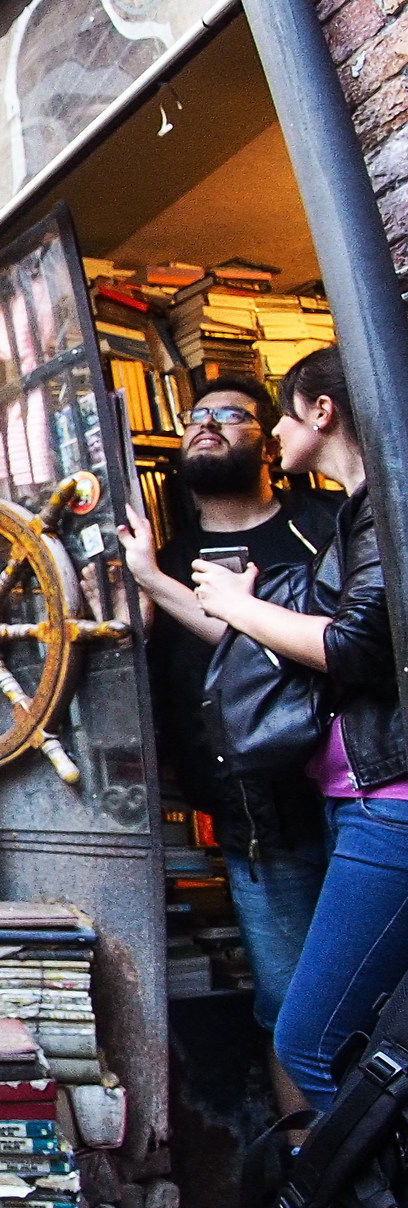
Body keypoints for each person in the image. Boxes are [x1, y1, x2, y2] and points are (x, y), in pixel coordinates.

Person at [192, 347, 408, 1111]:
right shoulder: (363, 509)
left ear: (323, 413)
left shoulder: (384, 502)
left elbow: (352, 647)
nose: (281, 430)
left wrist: (238, 606)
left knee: (310, 1040)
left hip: (391, 803)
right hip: (360, 801)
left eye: (284, 411)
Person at [119, 377, 337, 1113]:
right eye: (195, 416)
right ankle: (312, 1188)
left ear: (270, 439)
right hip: (256, 827)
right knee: (289, 1006)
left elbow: (332, 646)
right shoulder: (169, 561)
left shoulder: (328, 525)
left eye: (230, 415)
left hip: (356, 802)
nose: (206, 426)